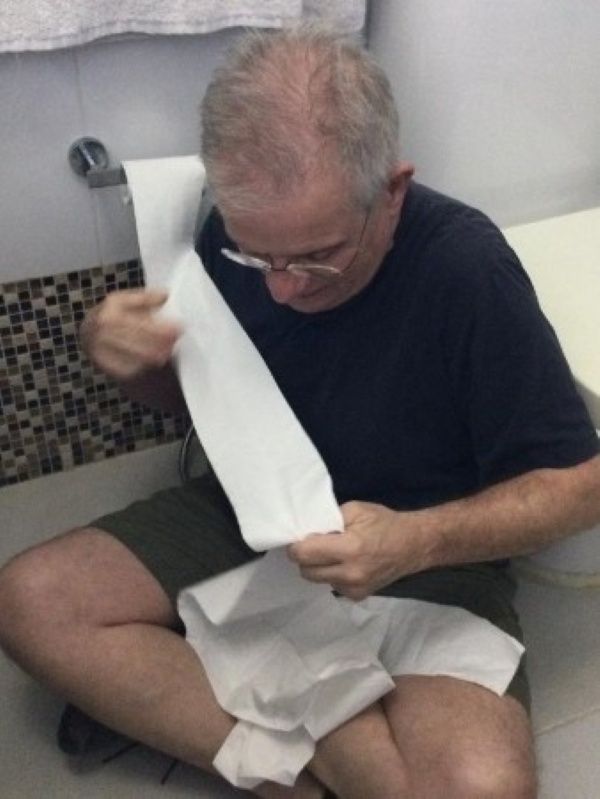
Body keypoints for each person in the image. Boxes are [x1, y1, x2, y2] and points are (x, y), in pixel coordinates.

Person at [1, 25, 599, 799]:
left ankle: (257, 693)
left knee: (484, 789)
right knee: (30, 602)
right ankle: (311, 760)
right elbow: (200, 405)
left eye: (319, 255)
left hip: (423, 548)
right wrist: (130, 362)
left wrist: (416, 539)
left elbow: (581, 486)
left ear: (392, 192)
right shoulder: (234, 235)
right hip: (253, 511)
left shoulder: (466, 270)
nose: (283, 287)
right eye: (259, 256)